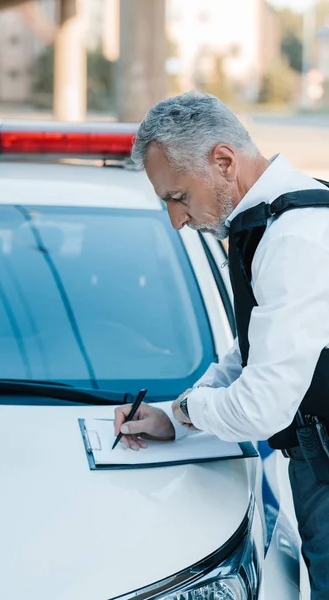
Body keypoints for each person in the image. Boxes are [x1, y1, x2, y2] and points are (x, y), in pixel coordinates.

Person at [113, 91, 329, 599]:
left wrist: (188, 409)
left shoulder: (296, 236)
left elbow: (260, 408)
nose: (176, 221)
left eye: (179, 197)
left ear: (224, 162)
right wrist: (172, 415)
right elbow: (253, 351)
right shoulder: (278, 220)